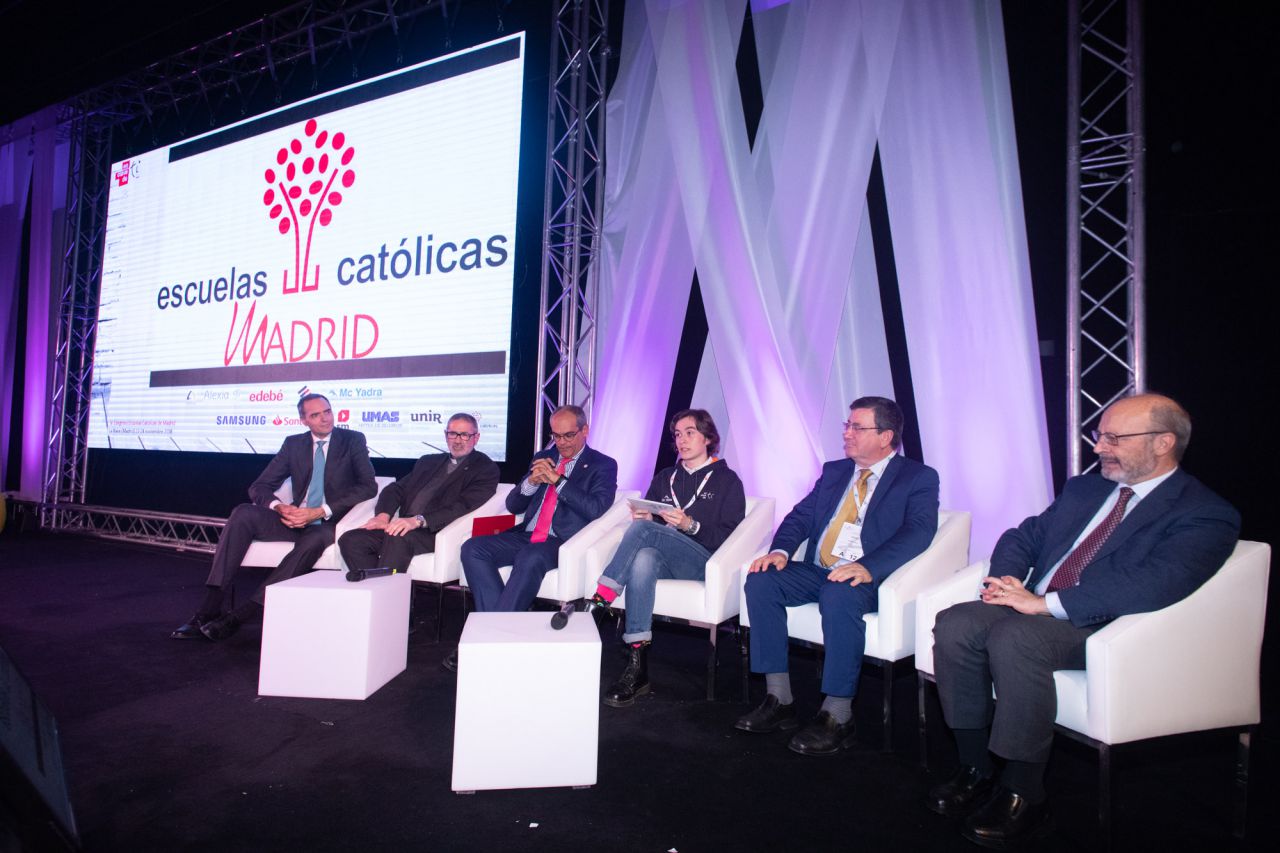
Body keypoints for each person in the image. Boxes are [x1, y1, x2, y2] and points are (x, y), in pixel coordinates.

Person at [927, 393, 1239, 849]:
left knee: (1018, 638)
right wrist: (1009, 579)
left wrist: (1048, 605)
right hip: (1036, 606)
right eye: (1099, 435)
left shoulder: (1203, 512)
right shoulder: (1085, 489)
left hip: (1107, 626)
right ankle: (974, 767)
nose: (1099, 447)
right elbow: (1024, 535)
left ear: (1163, 443)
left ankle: (1025, 793)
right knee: (956, 622)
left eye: (1114, 438)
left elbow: (1157, 583)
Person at [736, 396, 939, 755]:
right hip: (820, 569)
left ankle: (838, 714)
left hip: (866, 577)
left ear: (885, 436)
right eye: (847, 425)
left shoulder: (917, 477)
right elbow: (799, 517)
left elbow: (919, 531)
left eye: (857, 427)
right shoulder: (834, 471)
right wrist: (780, 551)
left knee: (839, 592)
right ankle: (779, 697)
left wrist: (869, 566)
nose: (846, 433)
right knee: (761, 579)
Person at [171, 393, 376, 641]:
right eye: (315, 415)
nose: (325, 419)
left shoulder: (352, 440)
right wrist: (280, 507)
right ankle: (209, 609)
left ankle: (243, 615)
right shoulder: (293, 444)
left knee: (311, 541)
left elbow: (368, 486)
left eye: (327, 411)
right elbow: (259, 487)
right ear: (304, 421)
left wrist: (320, 511)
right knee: (243, 513)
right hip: (292, 519)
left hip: (328, 523)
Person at [587, 409, 746, 707]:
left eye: (690, 433)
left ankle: (600, 600)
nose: (682, 440)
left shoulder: (727, 480)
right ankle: (637, 666)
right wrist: (646, 517)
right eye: (677, 434)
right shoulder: (665, 477)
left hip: (705, 562)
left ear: (708, 438)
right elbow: (651, 530)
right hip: (664, 558)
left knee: (645, 534)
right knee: (644, 557)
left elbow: (728, 539)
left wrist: (690, 525)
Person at [449, 406, 618, 670]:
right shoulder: (543, 456)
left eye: (568, 436)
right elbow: (514, 504)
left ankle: (486, 640)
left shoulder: (602, 464)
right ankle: (497, 633)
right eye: (556, 436)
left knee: (531, 556)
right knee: (473, 548)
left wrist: (559, 481)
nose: (561, 443)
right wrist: (532, 482)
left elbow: (595, 508)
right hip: (528, 534)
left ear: (585, 431)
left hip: (562, 541)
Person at [338, 413, 498, 574]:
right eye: (452, 434)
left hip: (436, 531)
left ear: (476, 438)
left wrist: (419, 520)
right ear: (445, 435)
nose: (457, 440)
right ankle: (372, 589)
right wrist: (383, 516)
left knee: (398, 536)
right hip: (404, 526)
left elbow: (462, 506)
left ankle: (385, 593)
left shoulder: (485, 469)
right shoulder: (428, 461)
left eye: (464, 435)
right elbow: (396, 489)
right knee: (351, 540)